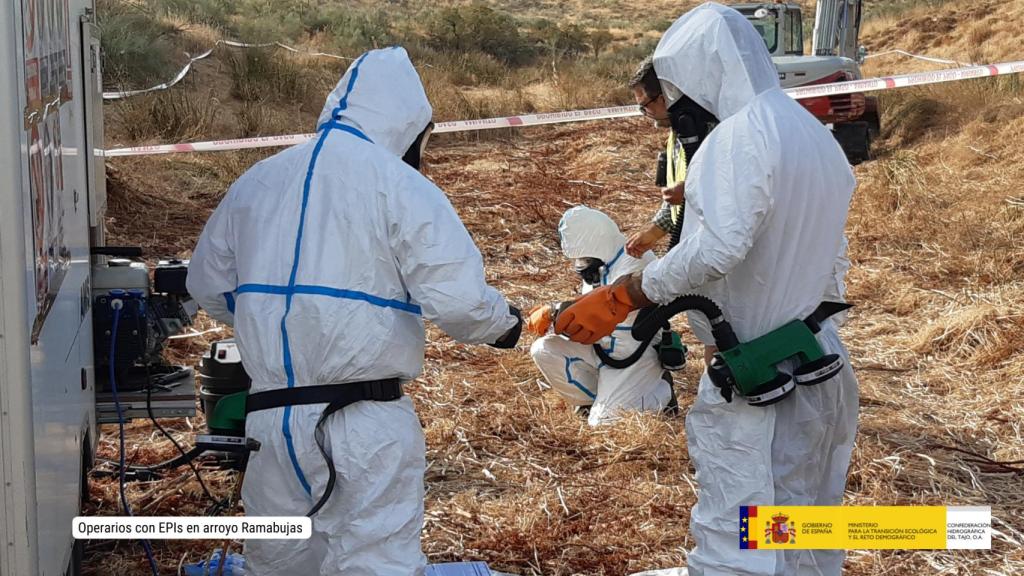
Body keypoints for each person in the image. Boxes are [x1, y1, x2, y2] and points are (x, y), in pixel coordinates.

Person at [186, 47, 522, 576]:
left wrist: (276, 320)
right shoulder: (402, 186)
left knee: (277, 561)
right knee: (375, 560)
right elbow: (459, 304)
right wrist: (506, 325)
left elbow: (205, 284)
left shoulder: (256, 181)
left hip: (270, 423)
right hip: (364, 424)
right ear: (409, 124)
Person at [554, 4, 859, 575]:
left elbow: (717, 249)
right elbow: (831, 260)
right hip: (820, 358)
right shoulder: (812, 134)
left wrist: (626, 294)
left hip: (758, 375)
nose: (672, 110)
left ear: (699, 74)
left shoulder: (737, 137)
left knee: (736, 536)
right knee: (806, 527)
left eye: (673, 91)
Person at [525, 206, 676, 426]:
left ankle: (660, 393)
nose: (583, 266)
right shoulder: (599, 262)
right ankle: (597, 401)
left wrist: (558, 309)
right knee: (543, 350)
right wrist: (555, 315)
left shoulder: (635, 258)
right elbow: (594, 299)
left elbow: (611, 301)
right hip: (602, 346)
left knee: (604, 424)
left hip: (633, 354)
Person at [625, 57, 717, 259]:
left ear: (664, 97)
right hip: (692, 246)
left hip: (716, 249)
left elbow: (732, 190)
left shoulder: (714, 132)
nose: (644, 114)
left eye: (645, 106)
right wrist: (653, 233)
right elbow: (677, 203)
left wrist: (691, 191)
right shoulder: (678, 134)